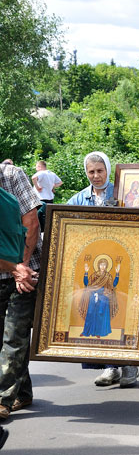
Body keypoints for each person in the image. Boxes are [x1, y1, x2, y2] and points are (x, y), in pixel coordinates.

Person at [68, 152, 137, 387]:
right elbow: (65, 226)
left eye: (100, 171)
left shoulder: (121, 194)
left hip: (122, 261)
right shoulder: (78, 199)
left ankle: (129, 364)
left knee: (125, 316)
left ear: (108, 170)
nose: (96, 176)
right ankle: (109, 368)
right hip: (95, 265)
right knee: (98, 320)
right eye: (91, 172)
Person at [0, 163, 41, 421]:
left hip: (26, 271)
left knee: (14, 335)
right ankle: (22, 392)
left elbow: (32, 221)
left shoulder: (12, 176)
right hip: (5, 269)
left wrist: (22, 267)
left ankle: (2, 398)